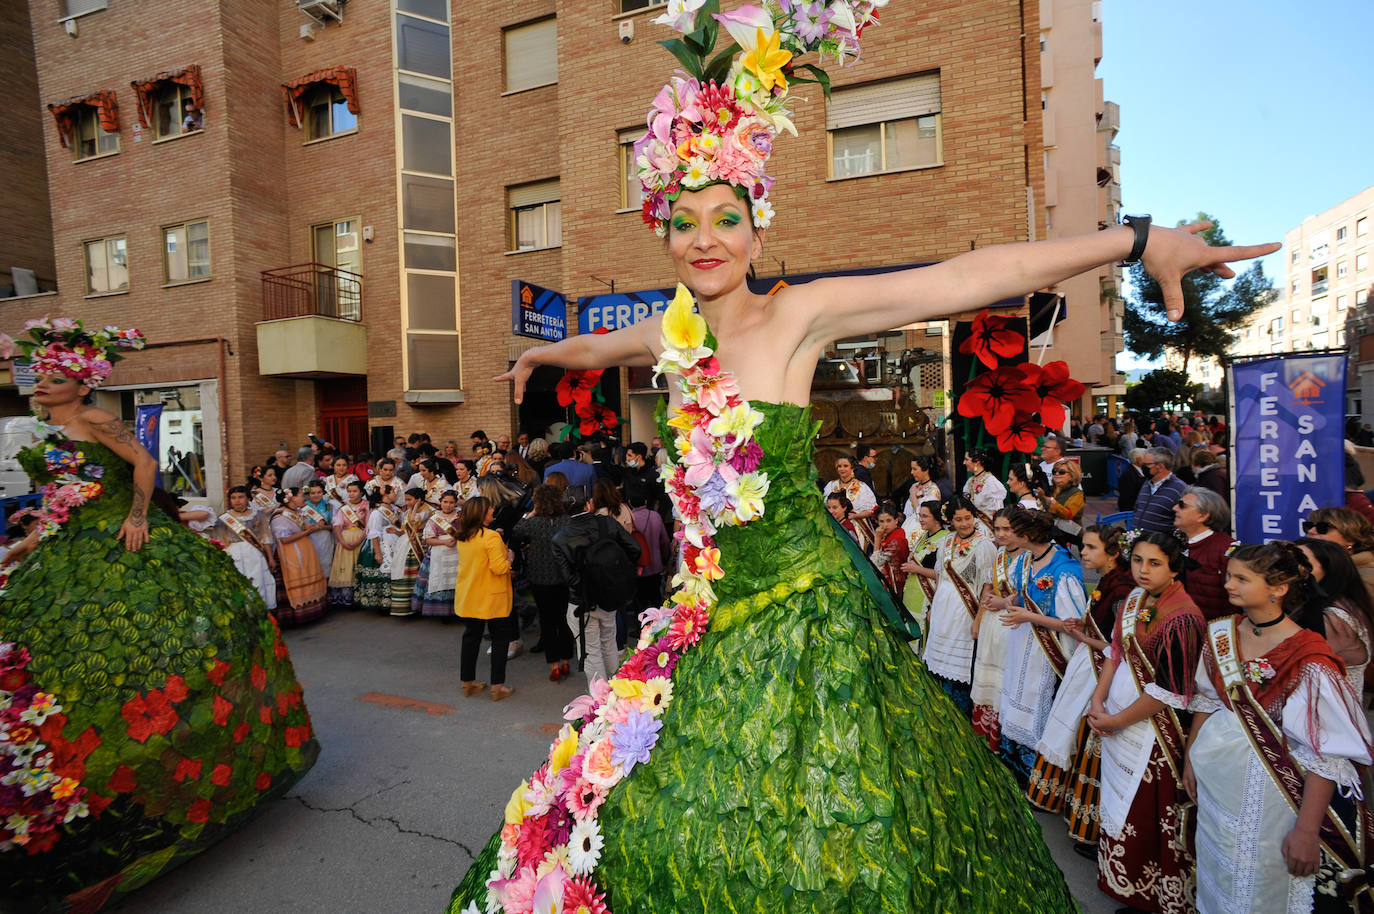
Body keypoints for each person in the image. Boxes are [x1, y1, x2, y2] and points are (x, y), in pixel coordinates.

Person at [446, 10, 1277, 907]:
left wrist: (1136, 239)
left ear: (757, 232)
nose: (705, 239)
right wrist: (542, 355)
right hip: (702, 615)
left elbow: (963, 279)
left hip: (807, 613)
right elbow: (594, 350)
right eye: (683, 223)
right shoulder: (671, 337)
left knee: (843, 830)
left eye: (726, 218)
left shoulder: (797, 316)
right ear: (664, 235)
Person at [0, 320, 317, 909]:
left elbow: (145, 465)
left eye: (52, 374)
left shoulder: (97, 420)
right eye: (37, 374)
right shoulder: (48, 428)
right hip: (68, 547)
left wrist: (140, 516)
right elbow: (59, 497)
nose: (39, 383)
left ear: (82, 382)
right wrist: (32, 539)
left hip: (123, 540)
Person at [1184, 543, 1374, 914]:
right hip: (1218, 781)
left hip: (1272, 791)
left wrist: (1307, 830)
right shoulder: (1221, 633)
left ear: (1278, 588)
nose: (1228, 585)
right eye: (1228, 576)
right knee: (1219, 865)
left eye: (1241, 578)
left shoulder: (1309, 657)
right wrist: (1191, 759)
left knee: (1259, 875)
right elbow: (1206, 701)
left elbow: (1326, 754)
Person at [1088, 530, 1204, 914]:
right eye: (1137, 560)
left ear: (1175, 568)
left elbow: (1169, 691)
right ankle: (1124, 885)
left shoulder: (1184, 617)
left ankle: (1153, 898)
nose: (1142, 570)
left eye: (1154, 563)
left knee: (1148, 813)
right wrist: (1098, 697)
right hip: (1118, 716)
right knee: (1120, 801)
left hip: (1153, 731)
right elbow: (1116, 652)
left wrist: (1116, 719)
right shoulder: (1134, 598)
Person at [1032, 523, 1134, 851]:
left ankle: (1088, 828)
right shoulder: (1109, 582)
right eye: (1084, 546)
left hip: (1101, 672)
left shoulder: (1122, 590)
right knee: (1071, 731)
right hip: (1088, 663)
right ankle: (1058, 801)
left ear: (1114, 553)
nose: (1083, 553)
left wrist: (1081, 636)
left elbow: (1118, 646)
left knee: (1087, 743)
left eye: (1091, 548)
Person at [990, 508, 1085, 782]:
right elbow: (1025, 594)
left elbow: (1074, 624)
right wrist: (1009, 603)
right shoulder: (1025, 559)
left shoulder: (1063, 570)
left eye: (1012, 531)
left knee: (1036, 700)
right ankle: (1015, 760)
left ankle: (1039, 776)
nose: (1005, 536)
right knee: (1017, 694)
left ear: (1028, 536)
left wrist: (1028, 615)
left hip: (1048, 650)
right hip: (1023, 643)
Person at [551, 484, 641, 684]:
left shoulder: (560, 538)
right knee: (609, 643)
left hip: (582, 602)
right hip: (609, 596)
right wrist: (617, 572)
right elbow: (635, 549)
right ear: (588, 504)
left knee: (590, 650)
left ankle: (601, 702)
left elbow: (567, 578)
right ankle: (616, 691)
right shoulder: (606, 524)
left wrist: (586, 587)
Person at [923, 495, 997, 713]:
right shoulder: (946, 541)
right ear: (950, 521)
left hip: (965, 612)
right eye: (959, 519)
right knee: (937, 664)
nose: (965, 523)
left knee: (961, 670)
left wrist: (978, 619)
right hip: (943, 609)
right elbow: (940, 575)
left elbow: (987, 586)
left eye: (968, 517)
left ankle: (959, 716)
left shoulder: (984, 545)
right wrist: (932, 606)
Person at [453, 496, 517, 701]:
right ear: (481, 513)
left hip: (469, 595)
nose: (492, 511)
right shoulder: (491, 537)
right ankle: (498, 685)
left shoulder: (464, 536)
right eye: (489, 509)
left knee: (471, 637)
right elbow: (499, 568)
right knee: (500, 638)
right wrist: (510, 559)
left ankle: (467, 681)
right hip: (492, 597)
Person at [970, 509, 1021, 754]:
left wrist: (1004, 603)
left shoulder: (1028, 557)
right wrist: (978, 619)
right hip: (992, 624)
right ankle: (984, 734)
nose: (1000, 534)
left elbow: (1031, 595)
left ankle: (1003, 743)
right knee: (988, 679)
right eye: (997, 529)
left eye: (1006, 530)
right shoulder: (999, 553)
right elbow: (988, 588)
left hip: (1013, 624)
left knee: (1005, 680)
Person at [1296, 537, 1374, 696]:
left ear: (1329, 570)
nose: (1293, 568)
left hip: (1326, 713)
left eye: (1302, 562)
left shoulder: (1332, 618)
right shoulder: (1340, 601)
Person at [512, 484, 575, 682]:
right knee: (564, 619)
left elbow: (516, 530)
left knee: (547, 622)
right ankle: (566, 660)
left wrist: (530, 514)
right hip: (563, 578)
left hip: (539, 577)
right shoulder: (567, 521)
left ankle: (554, 665)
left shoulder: (534, 523)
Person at [1173, 486, 1236, 621]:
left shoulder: (1226, 549)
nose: (1174, 508)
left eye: (1182, 506)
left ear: (1203, 515)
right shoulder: (1173, 542)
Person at [212, 484, 277, 610]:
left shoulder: (258, 515)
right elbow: (219, 542)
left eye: (241, 497)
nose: (237, 501)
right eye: (233, 498)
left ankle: (261, 614)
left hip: (255, 556)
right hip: (234, 556)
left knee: (258, 584)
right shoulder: (223, 519)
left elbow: (265, 537)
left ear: (247, 499)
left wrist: (270, 557)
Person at [271, 486, 330, 625]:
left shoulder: (298, 512)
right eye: (301, 495)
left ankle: (312, 612)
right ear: (292, 498)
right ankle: (296, 615)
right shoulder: (279, 516)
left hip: (304, 550)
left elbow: (307, 526)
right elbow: (284, 539)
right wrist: (308, 532)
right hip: (290, 554)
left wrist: (316, 526)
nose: (304, 498)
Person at [899, 500, 949, 653]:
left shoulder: (946, 539)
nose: (921, 519)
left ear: (936, 518)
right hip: (913, 592)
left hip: (928, 596)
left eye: (925, 516)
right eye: (920, 516)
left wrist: (916, 569)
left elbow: (944, 574)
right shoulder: (924, 536)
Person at [1302, 505, 1374, 608]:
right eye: (1308, 526)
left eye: (1322, 528)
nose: (1311, 531)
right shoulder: (1318, 569)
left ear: (1350, 537)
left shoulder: (1366, 578)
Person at [412, 491, 460, 617]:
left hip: (458, 553)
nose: (448, 505)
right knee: (441, 580)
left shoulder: (460, 516)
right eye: (445, 502)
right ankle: (443, 612)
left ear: (455, 503)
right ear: (440, 502)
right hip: (439, 554)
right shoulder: (434, 518)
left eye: (451, 502)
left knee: (457, 581)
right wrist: (444, 542)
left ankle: (459, 610)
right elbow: (428, 539)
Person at [355, 483, 402, 612]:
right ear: (385, 494)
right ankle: (380, 603)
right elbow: (374, 533)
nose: (395, 494)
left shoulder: (394, 508)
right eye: (393, 492)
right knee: (382, 573)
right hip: (381, 546)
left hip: (394, 544)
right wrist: (378, 553)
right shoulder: (377, 513)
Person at [389, 486, 431, 617]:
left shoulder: (426, 510)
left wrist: (416, 506)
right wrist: (395, 532)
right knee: (403, 571)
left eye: (410, 500)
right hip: (406, 543)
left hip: (419, 543)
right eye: (406, 500)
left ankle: (418, 606)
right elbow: (403, 529)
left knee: (416, 573)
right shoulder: (408, 511)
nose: (407, 503)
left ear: (418, 499)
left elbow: (414, 521)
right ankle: (404, 605)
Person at [327, 479, 368, 605]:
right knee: (345, 567)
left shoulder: (367, 506)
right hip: (345, 539)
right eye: (349, 491)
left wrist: (358, 540)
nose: (351, 494)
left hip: (361, 539)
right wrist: (341, 541)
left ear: (361, 492)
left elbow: (368, 526)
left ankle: (360, 598)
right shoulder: (343, 508)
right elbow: (337, 525)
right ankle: (345, 598)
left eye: (355, 491)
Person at [1129, 447, 1186, 535]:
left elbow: (1183, 522)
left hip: (1158, 545)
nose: (1143, 467)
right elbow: (1137, 509)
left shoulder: (1179, 489)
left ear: (1160, 467)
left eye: (1146, 465)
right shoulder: (1147, 484)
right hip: (1138, 543)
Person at [869, 501, 909, 600]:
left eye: (888, 520)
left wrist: (877, 539)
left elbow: (875, 564)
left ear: (896, 520)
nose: (885, 525)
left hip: (895, 585)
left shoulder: (896, 541)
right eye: (881, 521)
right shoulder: (893, 534)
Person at [962, 447, 1007, 530]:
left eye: (966, 459)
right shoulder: (970, 481)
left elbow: (998, 509)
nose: (964, 463)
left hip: (988, 528)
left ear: (976, 462)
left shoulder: (991, 481)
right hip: (972, 526)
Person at [1044, 459, 1085, 545]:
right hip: (1052, 529)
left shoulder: (1077, 493)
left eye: (1062, 472)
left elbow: (1067, 514)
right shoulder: (1049, 489)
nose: (1057, 474)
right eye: (1054, 471)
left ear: (1071, 476)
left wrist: (1052, 502)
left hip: (1071, 531)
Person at [822, 455, 876, 519]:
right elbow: (824, 506)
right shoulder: (831, 485)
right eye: (839, 466)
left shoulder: (861, 486)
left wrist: (856, 516)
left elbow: (871, 510)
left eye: (845, 466)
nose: (842, 469)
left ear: (852, 468)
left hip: (855, 523)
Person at [300, 480, 335, 575]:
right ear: (308, 494)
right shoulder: (303, 507)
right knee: (310, 564)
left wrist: (323, 527)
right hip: (309, 538)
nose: (316, 495)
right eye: (313, 493)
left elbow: (334, 526)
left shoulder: (329, 506)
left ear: (323, 492)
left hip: (325, 539)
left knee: (326, 563)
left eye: (319, 492)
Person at [825, 490, 874, 554]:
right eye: (829, 507)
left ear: (844, 508)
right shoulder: (829, 524)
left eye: (835, 507)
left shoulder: (848, 528)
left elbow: (853, 553)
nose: (831, 511)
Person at [1116, 448, 1147, 512]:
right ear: (1138, 460)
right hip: (1132, 509)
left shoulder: (1140, 470)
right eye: (1145, 457)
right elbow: (1127, 496)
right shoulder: (1129, 474)